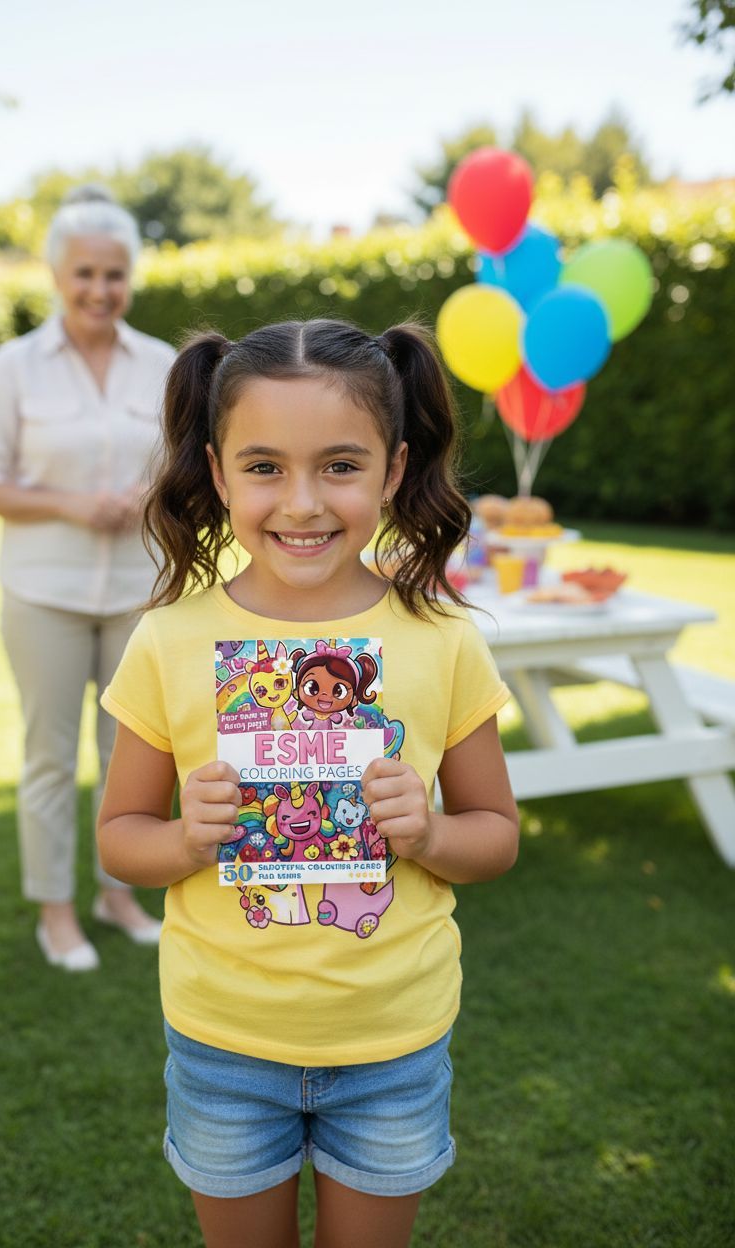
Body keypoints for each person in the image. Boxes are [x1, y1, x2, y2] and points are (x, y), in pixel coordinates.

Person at [96, 319, 520, 1248]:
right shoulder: (169, 640)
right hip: (224, 1043)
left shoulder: (442, 638)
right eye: (263, 468)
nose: (301, 503)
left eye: (339, 466)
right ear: (215, 472)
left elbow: (496, 833)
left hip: (393, 1044)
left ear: (394, 470)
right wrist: (184, 838)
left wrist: (433, 835)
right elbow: (121, 838)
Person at [0, 186, 176, 971]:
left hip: (139, 596)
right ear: (57, 275)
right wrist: (75, 506)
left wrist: (147, 497)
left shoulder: (164, 365)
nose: (99, 290)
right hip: (42, 593)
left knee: (133, 760)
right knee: (48, 756)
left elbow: (193, 474)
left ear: (130, 278)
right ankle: (56, 911)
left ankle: (117, 896)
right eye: (84, 273)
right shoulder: (13, 368)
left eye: (114, 274)